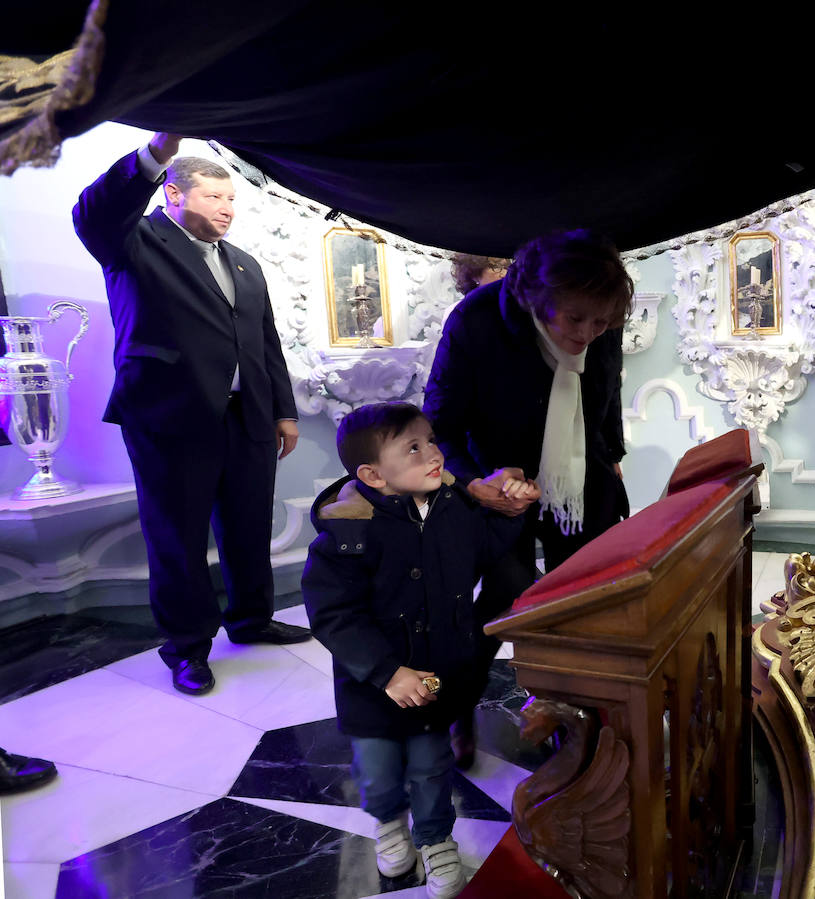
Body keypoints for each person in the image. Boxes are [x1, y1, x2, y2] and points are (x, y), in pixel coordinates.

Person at [72, 133, 310, 697]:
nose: (228, 209)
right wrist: (156, 152)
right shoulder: (133, 241)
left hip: (247, 418)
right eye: (215, 198)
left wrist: (283, 410)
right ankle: (186, 648)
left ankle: (250, 621)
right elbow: (95, 212)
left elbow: (265, 342)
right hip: (169, 420)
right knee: (177, 539)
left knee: (249, 526)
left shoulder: (245, 265)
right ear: (173, 194)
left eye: (232, 200)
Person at [301, 402, 534, 898]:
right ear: (373, 475)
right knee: (380, 771)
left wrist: (513, 509)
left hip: (436, 674)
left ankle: (435, 838)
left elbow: (488, 546)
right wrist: (386, 672)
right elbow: (333, 615)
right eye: (413, 448)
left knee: (431, 767)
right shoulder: (348, 533)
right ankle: (388, 821)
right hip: (373, 689)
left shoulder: (452, 507)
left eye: (430, 441)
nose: (433, 454)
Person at [422, 229, 633, 766]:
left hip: (579, 474)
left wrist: (612, 458)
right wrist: (476, 482)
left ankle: (573, 713)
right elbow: (440, 424)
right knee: (505, 597)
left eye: (602, 322)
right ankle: (456, 707)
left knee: (583, 602)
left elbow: (606, 394)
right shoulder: (475, 321)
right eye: (576, 321)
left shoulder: (599, 313)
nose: (589, 333)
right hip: (493, 480)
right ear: (537, 301)